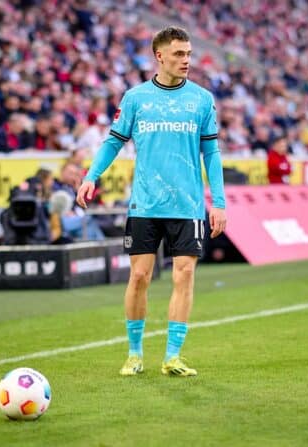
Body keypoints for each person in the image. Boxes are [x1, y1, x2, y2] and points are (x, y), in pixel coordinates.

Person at [76, 27, 227, 377]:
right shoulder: (136, 98)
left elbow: (211, 152)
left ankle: (173, 356)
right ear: (159, 56)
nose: (186, 60)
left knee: (184, 274)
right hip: (145, 204)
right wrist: (90, 176)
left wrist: (217, 202)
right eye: (178, 54)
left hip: (188, 205)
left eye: (188, 53)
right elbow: (113, 142)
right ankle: (134, 353)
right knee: (140, 276)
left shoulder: (202, 99)